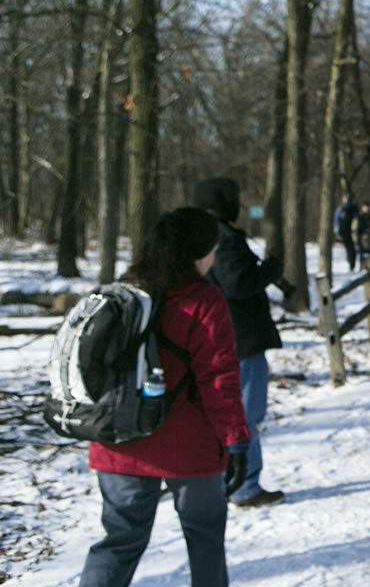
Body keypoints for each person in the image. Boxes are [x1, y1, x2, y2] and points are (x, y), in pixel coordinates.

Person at [80, 207, 251, 587]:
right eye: (213, 250)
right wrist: (236, 439)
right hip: (187, 449)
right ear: (199, 253)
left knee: (119, 542)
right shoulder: (204, 301)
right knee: (204, 539)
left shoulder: (119, 293)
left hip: (118, 440)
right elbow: (219, 378)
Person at [193, 177, 287, 509]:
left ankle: (227, 481)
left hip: (219, 337)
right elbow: (238, 283)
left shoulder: (201, 234)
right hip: (239, 340)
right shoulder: (224, 238)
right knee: (246, 414)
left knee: (231, 413)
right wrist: (272, 269)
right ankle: (243, 485)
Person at [333, 195, 358, 269]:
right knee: (351, 248)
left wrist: (337, 230)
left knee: (349, 248)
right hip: (351, 232)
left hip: (347, 232)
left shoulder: (342, 209)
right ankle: (351, 264)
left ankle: (351, 264)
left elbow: (336, 221)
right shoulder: (354, 208)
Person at [352, 202, 370, 270]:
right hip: (362, 241)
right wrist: (356, 241)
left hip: (369, 241)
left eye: (367, 207)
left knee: (369, 258)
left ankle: (369, 271)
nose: (367, 209)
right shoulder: (359, 217)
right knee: (363, 258)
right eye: (365, 207)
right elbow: (354, 230)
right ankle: (362, 270)